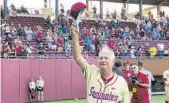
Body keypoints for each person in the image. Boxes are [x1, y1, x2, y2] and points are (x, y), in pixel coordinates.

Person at [71, 26, 130, 103]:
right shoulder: (91, 72)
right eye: (101, 58)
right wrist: (75, 36)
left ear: (113, 61)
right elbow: (78, 57)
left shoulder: (121, 82)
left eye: (106, 58)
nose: (103, 60)